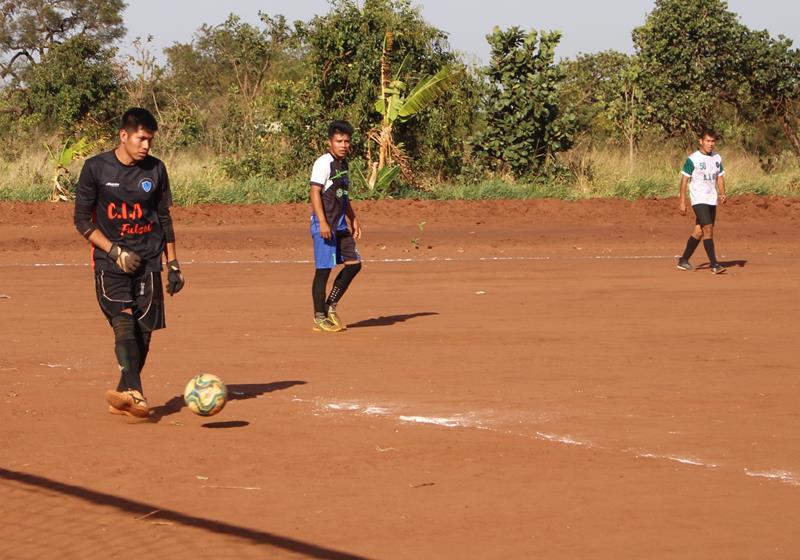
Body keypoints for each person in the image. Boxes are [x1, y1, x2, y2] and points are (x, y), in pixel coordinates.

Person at [73, 108, 185, 418]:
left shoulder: (156, 170)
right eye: (142, 138)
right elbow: (81, 221)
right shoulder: (96, 168)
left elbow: (164, 218)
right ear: (124, 135)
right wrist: (115, 252)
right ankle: (136, 392)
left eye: (150, 140)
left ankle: (124, 395)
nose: (147, 145)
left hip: (148, 261)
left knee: (144, 333)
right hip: (112, 264)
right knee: (123, 322)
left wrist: (173, 263)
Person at [309, 120, 362, 332]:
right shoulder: (324, 162)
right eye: (339, 141)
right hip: (325, 225)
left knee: (354, 264)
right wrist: (322, 222)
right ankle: (319, 316)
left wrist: (353, 218)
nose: (343, 145)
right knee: (323, 272)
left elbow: (343, 196)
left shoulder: (344, 164)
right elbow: (315, 192)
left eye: (347, 141)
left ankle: (331, 305)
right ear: (329, 142)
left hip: (340, 226)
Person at [676, 128, 728, 274]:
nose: (710, 144)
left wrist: (722, 193)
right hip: (698, 199)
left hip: (712, 198)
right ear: (701, 141)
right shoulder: (693, 159)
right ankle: (714, 264)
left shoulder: (717, 158)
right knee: (708, 228)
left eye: (713, 141)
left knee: (699, 231)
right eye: (707, 141)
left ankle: (683, 260)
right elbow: (684, 180)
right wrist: (682, 201)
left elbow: (720, 176)